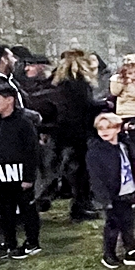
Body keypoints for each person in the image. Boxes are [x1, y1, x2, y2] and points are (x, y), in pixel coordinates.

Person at [0, 82, 41, 258]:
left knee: (27, 209)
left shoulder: (23, 123)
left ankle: (32, 242)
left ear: (9, 100)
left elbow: (31, 151)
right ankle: (10, 243)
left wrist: (28, 177)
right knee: (4, 211)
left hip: (18, 175)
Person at [87, 113, 135, 268]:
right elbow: (95, 177)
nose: (104, 131)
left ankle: (131, 251)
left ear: (117, 129)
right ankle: (109, 254)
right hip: (112, 195)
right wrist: (104, 198)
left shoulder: (125, 144)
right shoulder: (96, 151)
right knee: (112, 224)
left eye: (109, 127)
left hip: (128, 190)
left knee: (128, 222)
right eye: (101, 128)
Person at [50, 50, 100, 220]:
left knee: (74, 170)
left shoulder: (59, 83)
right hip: (80, 133)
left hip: (64, 133)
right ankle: (81, 206)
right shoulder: (79, 83)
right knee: (81, 171)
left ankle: (81, 203)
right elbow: (86, 106)